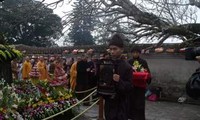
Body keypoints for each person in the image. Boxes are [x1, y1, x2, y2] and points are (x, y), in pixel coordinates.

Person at [101, 33, 133, 120]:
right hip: (109, 102)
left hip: (121, 103)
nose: (112, 51)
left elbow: (129, 87)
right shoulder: (107, 64)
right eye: (110, 49)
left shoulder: (127, 67)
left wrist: (120, 81)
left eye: (115, 49)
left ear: (121, 49)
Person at [128, 47, 151, 120]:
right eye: (134, 52)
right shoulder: (128, 61)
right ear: (131, 53)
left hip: (140, 87)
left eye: (137, 52)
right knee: (131, 103)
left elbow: (147, 72)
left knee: (140, 103)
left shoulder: (143, 61)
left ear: (139, 53)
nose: (135, 54)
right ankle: (131, 117)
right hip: (131, 86)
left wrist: (147, 78)